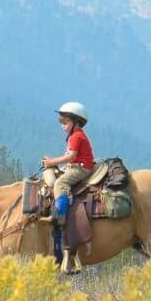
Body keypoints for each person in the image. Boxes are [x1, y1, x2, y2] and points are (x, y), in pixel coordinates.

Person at [41, 102, 96, 268]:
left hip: (83, 169)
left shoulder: (77, 136)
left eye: (65, 121)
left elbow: (71, 157)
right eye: (61, 121)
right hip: (79, 165)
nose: (62, 124)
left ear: (76, 122)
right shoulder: (75, 136)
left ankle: (59, 214)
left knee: (60, 183)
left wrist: (51, 162)